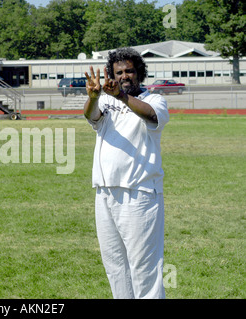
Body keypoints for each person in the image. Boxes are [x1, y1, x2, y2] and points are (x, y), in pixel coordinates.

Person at [83, 47, 169, 299]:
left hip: (140, 194)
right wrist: (93, 97)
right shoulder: (106, 101)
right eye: (118, 72)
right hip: (105, 193)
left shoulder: (154, 99)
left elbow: (151, 115)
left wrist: (120, 96)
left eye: (129, 71)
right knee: (116, 268)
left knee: (144, 269)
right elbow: (90, 116)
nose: (124, 76)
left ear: (139, 73)